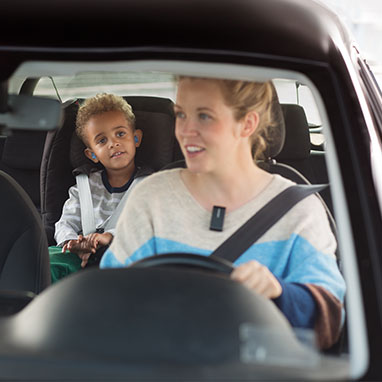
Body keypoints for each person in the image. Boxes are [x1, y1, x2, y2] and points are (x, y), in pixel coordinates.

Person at [100, 77, 346, 350]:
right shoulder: (150, 198)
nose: (185, 131)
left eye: (204, 116)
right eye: (181, 115)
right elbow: (109, 301)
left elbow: (330, 318)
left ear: (248, 123)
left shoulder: (300, 211)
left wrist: (279, 292)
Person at [49, 93, 152, 282]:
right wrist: (72, 243)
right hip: (79, 255)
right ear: (92, 154)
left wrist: (108, 237)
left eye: (120, 134)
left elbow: (147, 228)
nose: (113, 143)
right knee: (46, 260)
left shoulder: (150, 186)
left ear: (136, 138)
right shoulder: (84, 186)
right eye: (102, 141)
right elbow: (65, 223)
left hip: (124, 255)